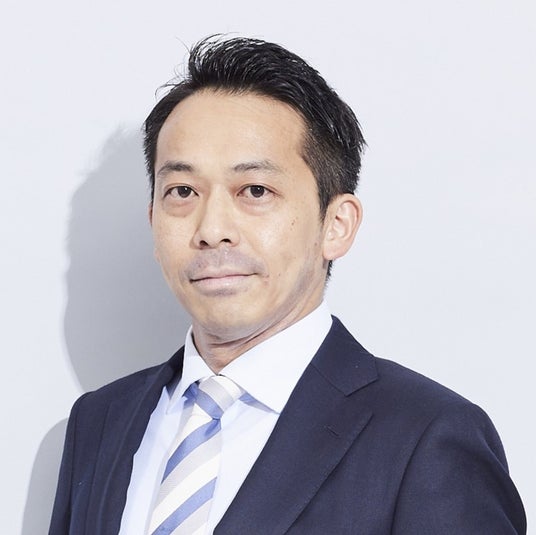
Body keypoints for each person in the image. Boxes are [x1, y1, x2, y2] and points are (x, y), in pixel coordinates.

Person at [49, 36, 526, 534]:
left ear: (336, 224)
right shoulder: (99, 422)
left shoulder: (427, 437)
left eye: (255, 190)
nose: (212, 229)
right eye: (183, 191)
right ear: (153, 221)